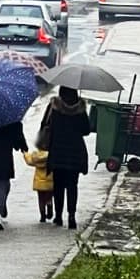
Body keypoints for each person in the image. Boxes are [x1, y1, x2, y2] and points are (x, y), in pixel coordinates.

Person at [42, 87, 93, 229]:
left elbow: (45, 125)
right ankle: (71, 216)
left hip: (58, 151)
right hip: (75, 152)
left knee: (58, 185)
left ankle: (58, 216)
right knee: (72, 186)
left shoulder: (54, 107)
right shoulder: (80, 109)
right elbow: (86, 130)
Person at [24, 148, 55, 222]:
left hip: (39, 182)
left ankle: (42, 216)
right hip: (49, 180)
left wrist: (25, 153)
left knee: (41, 199)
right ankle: (50, 210)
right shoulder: (51, 155)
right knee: (49, 197)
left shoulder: (36, 156)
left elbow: (29, 161)